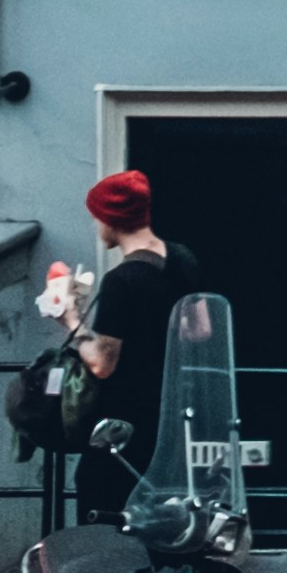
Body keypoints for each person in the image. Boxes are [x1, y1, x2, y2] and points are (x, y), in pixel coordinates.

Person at [74, 171, 201, 511]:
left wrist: (69, 318)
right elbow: (201, 329)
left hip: (127, 418)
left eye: (97, 218)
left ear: (110, 220)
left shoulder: (120, 281)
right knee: (164, 506)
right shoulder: (183, 258)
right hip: (172, 411)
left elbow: (102, 363)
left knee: (101, 497)